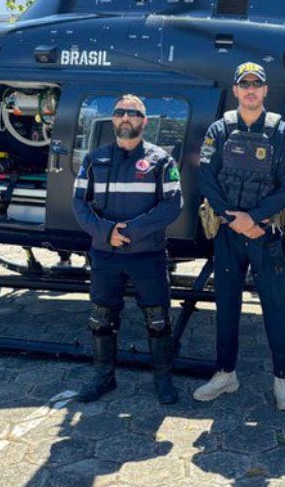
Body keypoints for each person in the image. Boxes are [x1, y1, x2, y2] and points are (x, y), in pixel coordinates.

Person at [194, 62, 285, 410]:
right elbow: (207, 178)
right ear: (236, 90)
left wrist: (254, 218)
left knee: (278, 308)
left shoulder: (282, 132)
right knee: (226, 305)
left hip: (266, 232)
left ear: (265, 91)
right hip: (229, 232)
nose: (251, 90)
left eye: (257, 84)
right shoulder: (219, 130)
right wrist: (232, 217)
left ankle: (282, 378)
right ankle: (226, 374)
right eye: (245, 84)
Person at [72, 94, 183, 404]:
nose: (125, 117)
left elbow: (173, 204)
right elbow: (79, 204)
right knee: (101, 317)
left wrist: (131, 232)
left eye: (132, 113)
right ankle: (103, 378)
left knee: (158, 318)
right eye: (120, 112)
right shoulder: (94, 159)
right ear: (113, 119)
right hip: (105, 253)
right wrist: (106, 233)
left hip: (146, 254)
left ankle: (163, 380)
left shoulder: (161, 160)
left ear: (143, 121)